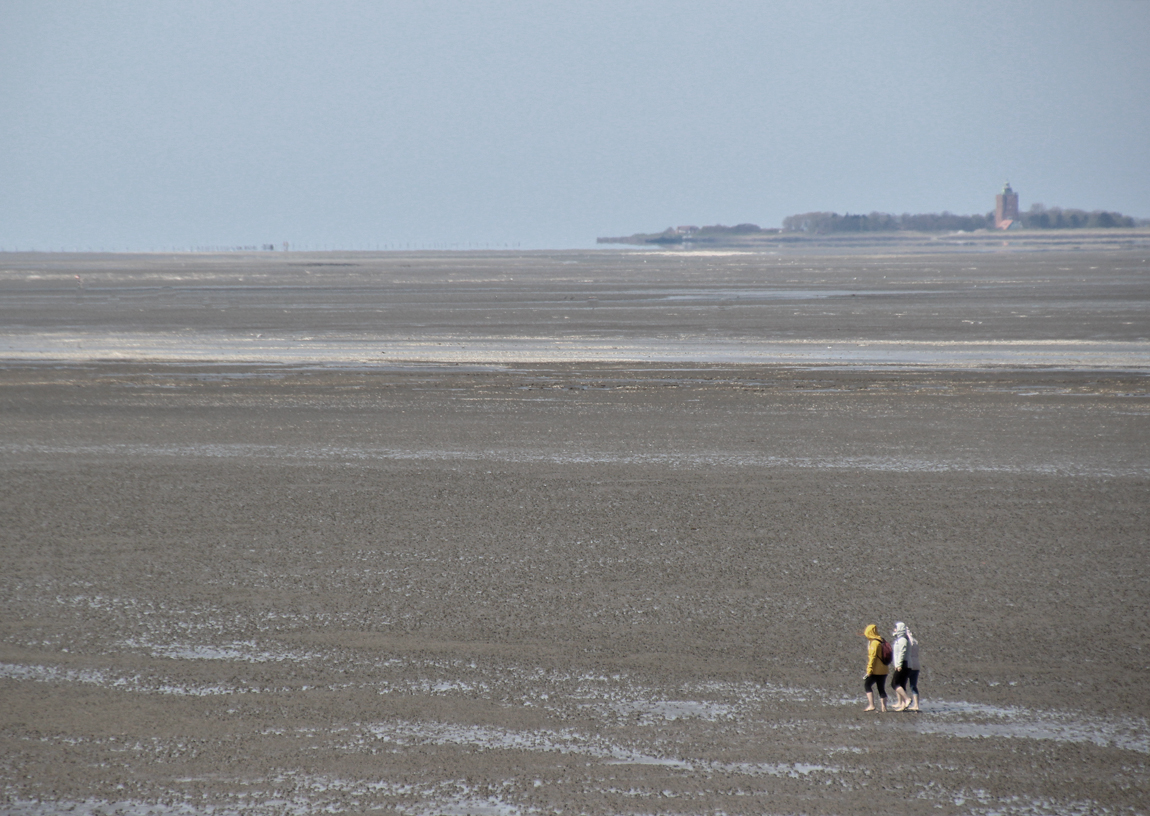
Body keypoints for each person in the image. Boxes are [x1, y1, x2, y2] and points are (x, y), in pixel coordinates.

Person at [861, 623, 889, 712]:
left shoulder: (874, 643)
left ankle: (871, 705)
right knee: (881, 688)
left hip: (876, 670)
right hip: (885, 669)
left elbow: (872, 658)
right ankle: (884, 707)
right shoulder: (882, 640)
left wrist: (869, 670)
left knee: (867, 684)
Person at [890, 621, 912, 711]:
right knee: (902, 685)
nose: (894, 629)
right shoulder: (900, 639)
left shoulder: (903, 640)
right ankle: (903, 705)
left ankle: (907, 699)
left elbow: (902, 653)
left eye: (896, 628)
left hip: (903, 664)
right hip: (902, 664)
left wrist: (898, 665)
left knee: (894, 683)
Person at [905, 626, 921, 711]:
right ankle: (916, 705)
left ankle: (903, 702)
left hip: (909, 664)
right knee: (913, 686)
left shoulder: (907, 642)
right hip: (917, 664)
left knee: (901, 684)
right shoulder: (915, 641)